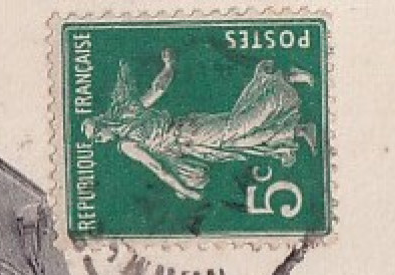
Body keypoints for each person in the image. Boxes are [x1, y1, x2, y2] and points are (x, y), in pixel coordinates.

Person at [82, 51, 318, 202]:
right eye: (95, 139)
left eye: (96, 134)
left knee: (238, 127)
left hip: (189, 131)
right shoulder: (126, 131)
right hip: (191, 145)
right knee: (239, 142)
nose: (98, 140)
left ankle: (281, 79)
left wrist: (169, 66)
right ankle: (299, 130)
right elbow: (159, 165)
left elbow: (158, 168)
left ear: (103, 123)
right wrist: (169, 66)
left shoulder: (127, 134)